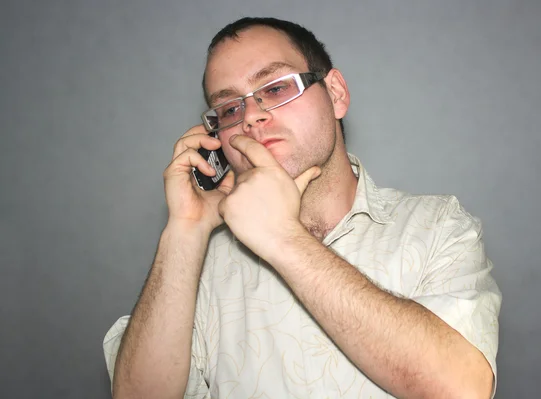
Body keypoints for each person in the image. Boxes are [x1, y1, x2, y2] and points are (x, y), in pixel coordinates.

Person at [103, 17, 501, 399]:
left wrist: (283, 237)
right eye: (228, 109)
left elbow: (463, 389)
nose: (251, 117)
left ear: (336, 94)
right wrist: (185, 228)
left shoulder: (438, 226)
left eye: (275, 87)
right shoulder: (198, 262)